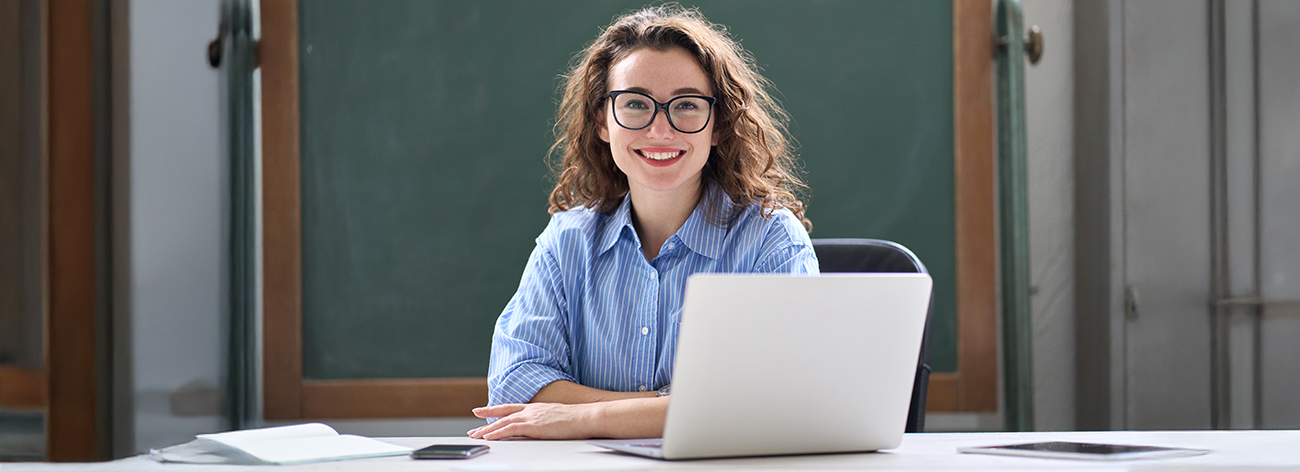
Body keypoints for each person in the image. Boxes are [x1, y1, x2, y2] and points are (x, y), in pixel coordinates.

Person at [469, 4, 817, 441]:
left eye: (687, 105)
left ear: (719, 125)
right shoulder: (567, 241)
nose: (660, 131)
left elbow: (775, 402)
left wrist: (585, 416)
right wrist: (674, 407)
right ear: (602, 121)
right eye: (635, 103)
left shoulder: (772, 241)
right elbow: (516, 383)